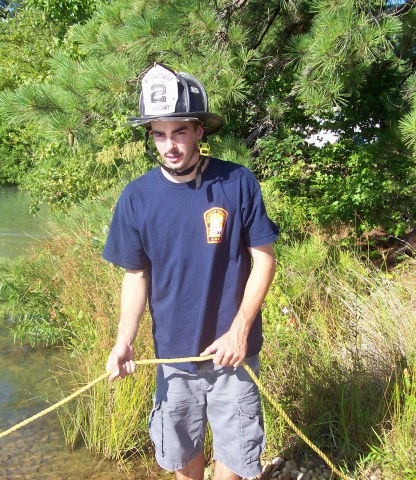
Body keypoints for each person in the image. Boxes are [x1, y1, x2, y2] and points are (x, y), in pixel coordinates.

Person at [103, 64, 279, 480]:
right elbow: (135, 276)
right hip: (174, 355)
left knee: (235, 458)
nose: (170, 145)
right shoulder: (137, 197)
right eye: (159, 133)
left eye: (179, 131)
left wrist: (239, 330)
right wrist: (123, 341)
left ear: (200, 130)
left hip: (233, 355)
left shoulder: (237, 182)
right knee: (181, 457)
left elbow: (264, 260)